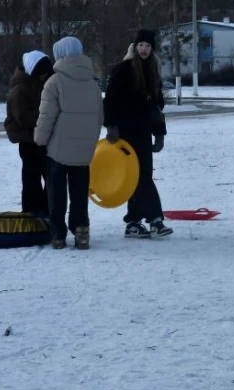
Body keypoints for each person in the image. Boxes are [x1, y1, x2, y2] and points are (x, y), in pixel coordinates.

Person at [33, 37, 103, 249]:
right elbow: (99, 118)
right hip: (84, 151)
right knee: (80, 193)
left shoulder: (54, 82)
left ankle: (58, 234)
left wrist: (40, 140)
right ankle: (81, 231)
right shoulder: (92, 84)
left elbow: (47, 116)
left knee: (57, 193)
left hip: (58, 149)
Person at [104, 30, 172, 239]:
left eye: (148, 46)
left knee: (139, 177)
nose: (144, 49)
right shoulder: (123, 70)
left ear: (152, 50)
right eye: (141, 45)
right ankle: (155, 220)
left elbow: (156, 108)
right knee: (141, 177)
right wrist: (112, 126)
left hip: (143, 132)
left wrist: (159, 133)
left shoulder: (153, 71)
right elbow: (110, 101)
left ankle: (133, 223)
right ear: (134, 47)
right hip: (125, 133)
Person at [4, 51, 54, 216]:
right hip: (28, 140)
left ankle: (44, 211)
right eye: (43, 73)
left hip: (41, 137)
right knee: (31, 178)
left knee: (46, 176)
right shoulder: (20, 88)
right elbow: (23, 118)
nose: (45, 76)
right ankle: (32, 213)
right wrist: (46, 113)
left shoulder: (36, 81)